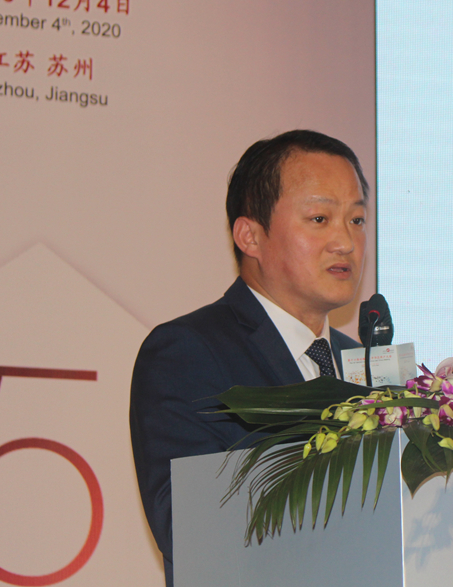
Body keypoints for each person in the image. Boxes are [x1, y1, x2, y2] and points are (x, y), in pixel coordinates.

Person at [129, 130, 368, 586]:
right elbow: (190, 527)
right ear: (250, 236)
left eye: (356, 220)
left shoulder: (366, 367)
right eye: (319, 218)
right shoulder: (188, 353)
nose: (345, 242)